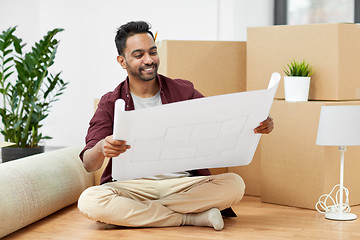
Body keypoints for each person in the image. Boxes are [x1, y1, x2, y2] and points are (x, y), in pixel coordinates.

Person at [77, 21, 274, 231]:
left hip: (183, 184)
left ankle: (136, 214)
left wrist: (257, 122)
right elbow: (89, 164)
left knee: (234, 184)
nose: (149, 60)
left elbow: (220, 121)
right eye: (139, 55)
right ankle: (191, 218)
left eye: (153, 52)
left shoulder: (182, 90)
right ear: (122, 61)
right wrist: (101, 147)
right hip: (132, 187)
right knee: (90, 200)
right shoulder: (110, 102)